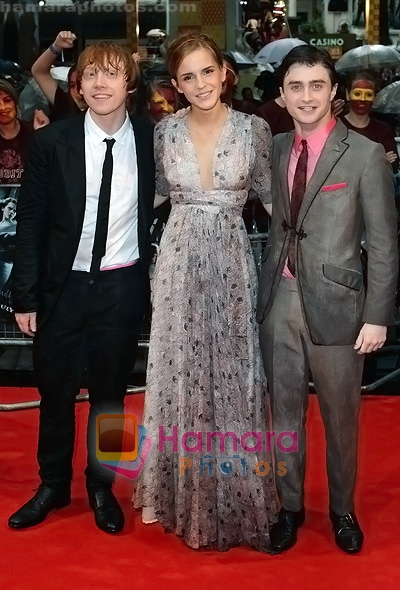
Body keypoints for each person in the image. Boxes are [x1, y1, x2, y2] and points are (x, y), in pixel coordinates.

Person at [133, 31, 278, 552]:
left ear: (225, 72)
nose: (200, 84)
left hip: (233, 260)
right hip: (176, 262)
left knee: (234, 375)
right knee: (180, 372)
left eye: (207, 72)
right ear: (175, 84)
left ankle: (235, 493)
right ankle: (181, 495)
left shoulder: (254, 130)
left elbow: (273, 199)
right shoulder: (163, 132)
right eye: (187, 77)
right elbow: (148, 199)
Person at [8, 42, 155, 534]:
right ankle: (51, 485)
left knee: (112, 399)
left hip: (121, 287)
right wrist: (24, 295)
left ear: (129, 84)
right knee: (54, 393)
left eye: (111, 75)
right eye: (90, 74)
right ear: (79, 84)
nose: (99, 84)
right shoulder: (54, 143)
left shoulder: (152, 141)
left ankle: (103, 486)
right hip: (62, 288)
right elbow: (30, 223)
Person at [257, 45, 398, 555]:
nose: (307, 96)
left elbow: (383, 242)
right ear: (282, 95)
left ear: (334, 93)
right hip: (279, 300)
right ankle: (289, 507)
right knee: (284, 416)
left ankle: (343, 510)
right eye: (296, 87)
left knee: (342, 418)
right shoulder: (272, 148)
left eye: (317, 85)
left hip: (341, 308)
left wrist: (378, 315)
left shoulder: (364, 155)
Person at [341, 71, 399, 172]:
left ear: (375, 97)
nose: (363, 99)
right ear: (347, 94)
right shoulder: (335, 126)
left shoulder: (384, 129)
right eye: (357, 93)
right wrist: (379, 161)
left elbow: (393, 165)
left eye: (368, 94)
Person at [31, 30, 87, 121]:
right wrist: (56, 46)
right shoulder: (66, 106)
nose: (77, 90)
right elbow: (38, 71)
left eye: (80, 83)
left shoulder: (108, 109)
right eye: (72, 85)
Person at [0, 197, 17, 292]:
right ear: (3, 208)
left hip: (4, 264)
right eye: (10, 208)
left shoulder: (17, 227)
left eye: (14, 211)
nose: (12, 212)